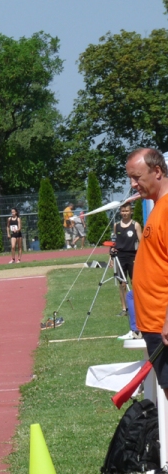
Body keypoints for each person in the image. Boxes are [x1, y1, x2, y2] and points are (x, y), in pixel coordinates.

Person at [127, 148, 168, 402]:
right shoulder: (157, 207)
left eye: (137, 177)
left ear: (157, 171)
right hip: (154, 324)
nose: (133, 185)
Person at [111, 203, 142, 339]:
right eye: (122, 211)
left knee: (135, 282)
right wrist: (111, 257)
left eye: (127, 211)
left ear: (131, 212)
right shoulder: (116, 225)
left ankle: (138, 307)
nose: (124, 213)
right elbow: (114, 242)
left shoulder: (135, 225)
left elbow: (141, 242)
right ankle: (125, 308)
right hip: (120, 256)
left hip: (133, 256)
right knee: (122, 284)